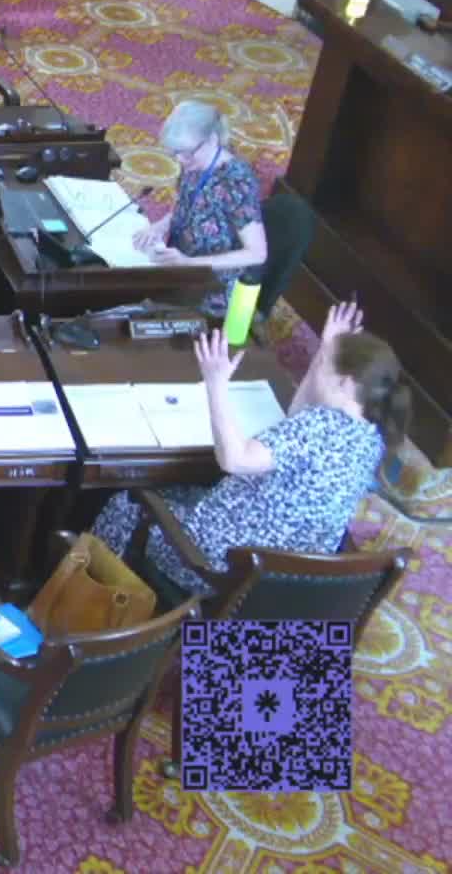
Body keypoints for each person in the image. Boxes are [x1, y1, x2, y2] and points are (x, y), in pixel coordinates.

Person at [90, 301, 405, 596]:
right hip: (276, 580)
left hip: (217, 563)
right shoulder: (372, 438)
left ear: (346, 383)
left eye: (323, 363)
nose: (318, 363)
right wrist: (328, 347)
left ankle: (98, 601)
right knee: (182, 491)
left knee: (125, 505)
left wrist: (215, 383)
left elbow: (233, 459)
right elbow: (296, 417)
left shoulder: (318, 425)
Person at [131, 100, 267, 315]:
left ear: (212, 139)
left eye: (186, 152)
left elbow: (257, 254)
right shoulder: (194, 163)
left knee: (134, 311)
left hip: (212, 290)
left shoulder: (236, 183)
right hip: (178, 268)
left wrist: (190, 263)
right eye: (175, 152)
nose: (180, 160)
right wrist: (161, 225)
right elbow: (188, 205)